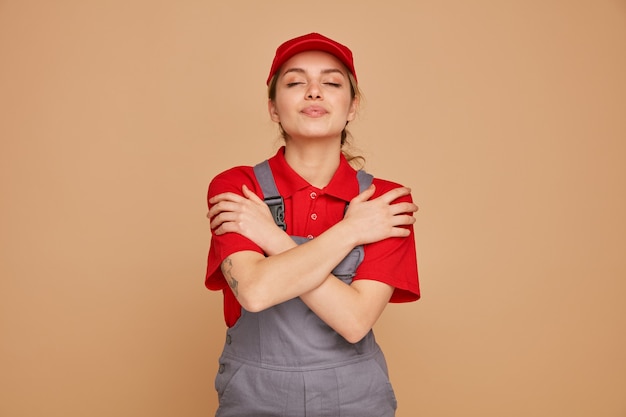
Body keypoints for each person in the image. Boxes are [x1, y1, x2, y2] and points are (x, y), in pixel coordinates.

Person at [205, 32, 420, 417]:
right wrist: (353, 231)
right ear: (273, 107)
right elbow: (254, 292)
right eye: (295, 82)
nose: (314, 92)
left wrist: (270, 237)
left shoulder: (385, 202)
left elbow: (354, 322)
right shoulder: (237, 187)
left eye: (332, 82)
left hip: (356, 398)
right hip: (255, 396)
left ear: (352, 106)